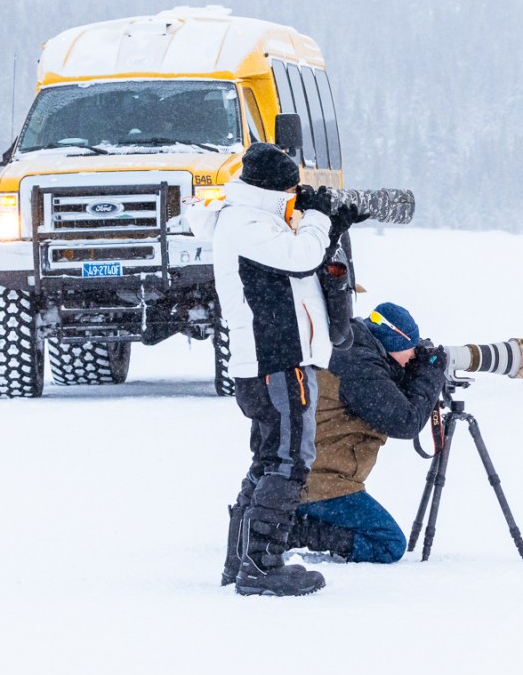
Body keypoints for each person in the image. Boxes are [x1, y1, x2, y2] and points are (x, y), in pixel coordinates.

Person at [185, 142, 354, 597]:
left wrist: (331, 223)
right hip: (275, 360)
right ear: (273, 187)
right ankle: (262, 565)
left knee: (268, 459)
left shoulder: (252, 219)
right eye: (291, 185)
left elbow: (298, 264)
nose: (296, 192)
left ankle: (240, 559)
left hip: (266, 361)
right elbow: (301, 257)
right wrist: (319, 217)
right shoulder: (247, 222)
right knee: (287, 461)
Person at [278, 302, 448, 563]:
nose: (412, 358)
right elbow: (406, 421)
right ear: (393, 343)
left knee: (380, 536)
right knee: (389, 544)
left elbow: (388, 390)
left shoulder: (355, 348)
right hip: (322, 482)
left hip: (308, 474)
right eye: (411, 351)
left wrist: (419, 373)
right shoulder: (360, 366)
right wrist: (431, 376)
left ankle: (277, 517)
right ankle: (287, 531)